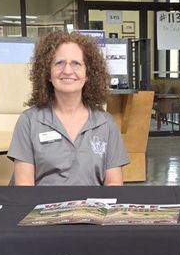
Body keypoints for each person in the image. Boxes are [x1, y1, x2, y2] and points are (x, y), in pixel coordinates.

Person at [9, 30, 129, 185]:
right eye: (59, 63)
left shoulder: (106, 123)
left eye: (76, 63)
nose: (67, 70)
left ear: (88, 74)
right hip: (42, 207)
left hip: (91, 208)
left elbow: (114, 185)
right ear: (47, 73)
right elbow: (24, 187)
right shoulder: (29, 122)